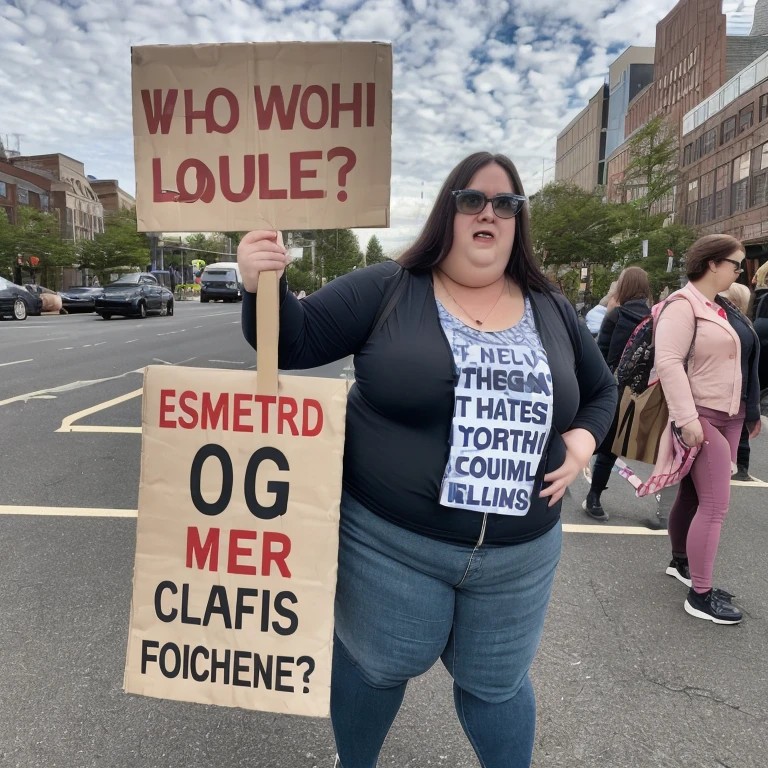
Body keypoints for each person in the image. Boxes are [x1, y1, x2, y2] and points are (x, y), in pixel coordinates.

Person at [237, 151, 617, 767]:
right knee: (375, 668)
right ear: (449, 211)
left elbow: (601, 391)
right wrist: (263, 284)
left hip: (519, 559)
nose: (489, 213)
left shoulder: (551, 305)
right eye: (473, 200)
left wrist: (582, 442)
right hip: (391, 548)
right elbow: (290, 341)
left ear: (518, 221)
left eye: (506, 203)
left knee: (498, 687)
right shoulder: (389, 287)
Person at [655, 234, 761, 625]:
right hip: (701, 414)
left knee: (693, 494)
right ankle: (700, 595)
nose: (740, 272)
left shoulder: (718, 306)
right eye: (736, 264)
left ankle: (681, 563)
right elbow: (668, 362)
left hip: (729, 414)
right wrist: (686, 419)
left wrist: (749, 412)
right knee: (715, 506)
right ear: (713, 263)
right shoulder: (682, 305)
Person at [583, 266, 653, 521]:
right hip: (641, 392)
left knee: (594, 438)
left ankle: (563, 477)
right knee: (615, 446)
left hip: (611, 388)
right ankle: (594, 497)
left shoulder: (616, 315)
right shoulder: (655, 318)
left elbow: (601, 355)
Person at [719, 282, 755, 482]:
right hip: (740, 388)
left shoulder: (730, 324)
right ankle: (739, 466)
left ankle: (735, 465)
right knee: (738, 431)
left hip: (729, 388)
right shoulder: (746, 325)